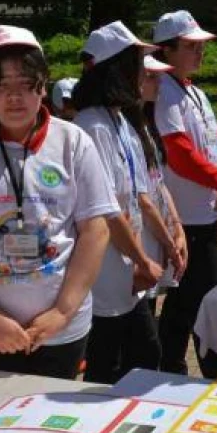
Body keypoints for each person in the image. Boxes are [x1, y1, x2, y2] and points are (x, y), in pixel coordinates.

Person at [0, 25, 114, 380]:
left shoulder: (74, 142)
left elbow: (95, 229)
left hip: (61, 330)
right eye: (1, 86)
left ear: (43, 86)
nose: (14, 98)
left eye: (26, 85)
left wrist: (61, 312)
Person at [71, 21, 166, 383]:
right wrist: (142, 260)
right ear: (117, 70)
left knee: (143, 354)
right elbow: (107, 210)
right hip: (107, 273)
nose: (143, 73)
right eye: (137, 64)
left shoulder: (121, 122)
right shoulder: (92, 126)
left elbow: (139, 194)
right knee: (110, 365)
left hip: (127, 269)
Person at [150, 10, 217, 379]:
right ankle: (211, 367)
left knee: (186, 297)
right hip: (183, 214)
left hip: (206, 212)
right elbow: (179, 154)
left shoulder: (195, 92)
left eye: (200, 45)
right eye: (190, 46)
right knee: (200, 297)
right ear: (166, 50)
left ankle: (172, 364)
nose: (199, 52)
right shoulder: (163, 93)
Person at [138, 54, 188, 311]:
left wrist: (177, 229)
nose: (158, 83)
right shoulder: (124, 127)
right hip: (141, 242)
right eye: (150, 77)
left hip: (156, 237)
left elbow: (158, 182)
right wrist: (170, 241)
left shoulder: (146, 123)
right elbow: (141, 198)